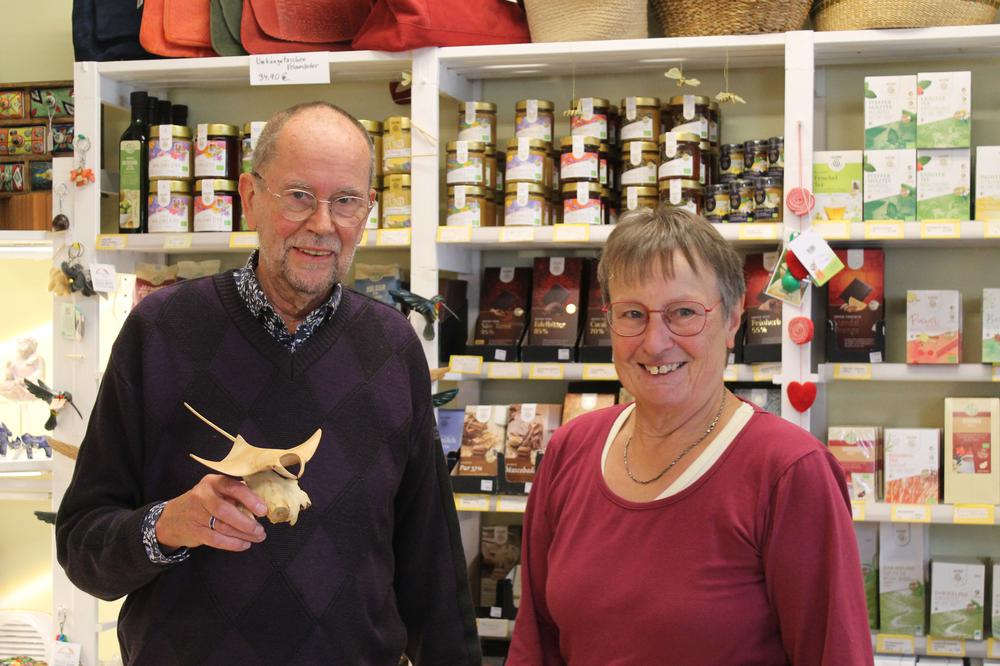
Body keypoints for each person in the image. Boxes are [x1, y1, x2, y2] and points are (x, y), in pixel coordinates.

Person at [56, 102, 481, 665]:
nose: (323, 223)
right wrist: (168, 527)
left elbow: (434, 568)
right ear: (249, 196)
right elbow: (83, 545)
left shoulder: (392, 348)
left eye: (346, 201)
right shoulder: (160, 332)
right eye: (299, 195)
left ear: (368, 211)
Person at [508, 206, 874, 665]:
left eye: (683, 312)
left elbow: (833, 655)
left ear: (733, 319)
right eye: (632, 314)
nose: (655, 341)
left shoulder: (789, 471)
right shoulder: (570, 449)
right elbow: (535, 642)